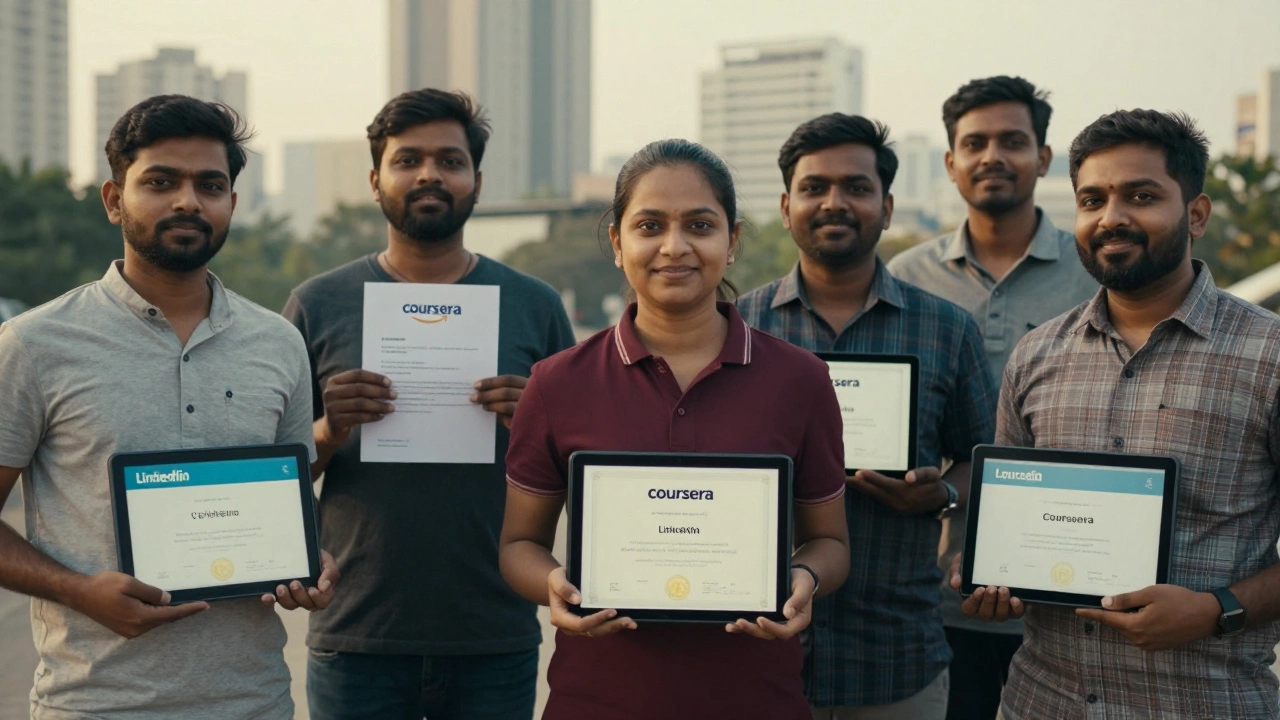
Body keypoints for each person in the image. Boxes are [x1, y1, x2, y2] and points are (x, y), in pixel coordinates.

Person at [0, 95, 338, 720]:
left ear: (232, 206)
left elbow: (290, 500)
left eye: (210, 185)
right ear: (113, 200)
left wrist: (309, 562)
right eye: (160, 181)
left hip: (253, 702)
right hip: (94, 703)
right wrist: (79, 592)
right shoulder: (34, 343)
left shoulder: (278, 342)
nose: (188, 200)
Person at [498, 138, 851, 719]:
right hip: (599, 701)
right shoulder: (556, 383)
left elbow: (831, 542)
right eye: (649, 225)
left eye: (700, 225)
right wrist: (554, 586)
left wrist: (804, 577)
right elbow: (518, 546)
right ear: (617, 242)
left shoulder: (802, 380)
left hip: (755, 701)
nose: (674, 246)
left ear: (732, 241)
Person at [952, 109, 1280, 720]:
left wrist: (1215, 609)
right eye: (1092, 199)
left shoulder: (1269, 356)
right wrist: (993, 577)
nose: (1112, 217)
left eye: (1142, 196)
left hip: (1207, 703)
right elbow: (1011, 527)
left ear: (1197, 214)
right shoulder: (1037, 355)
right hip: (1039, 702)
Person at [283, 88, 575, 720]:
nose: (428, 175)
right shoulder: (317, 303)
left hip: (493, 627)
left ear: (475, 180)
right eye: (407, 159)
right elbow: (276, 474)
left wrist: (533, 427)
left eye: (449, 160)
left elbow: (578, 470)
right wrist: (332, 428)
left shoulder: (535, 304)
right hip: (357, 631)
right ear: (375, 179)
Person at [738, 114, 997, 720]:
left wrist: (940, 498)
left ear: (886, 207)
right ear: (785, 205)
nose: (835, 202)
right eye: (814, 187)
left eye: (856, 187)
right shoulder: (737, 328)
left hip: (896, 658)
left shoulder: (946, 328)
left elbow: (985, 461)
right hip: (755, 655)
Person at [887, 76, 1097, 720]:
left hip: (1072, 588)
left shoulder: (1097, 269)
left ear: (1044, 157)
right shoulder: (903, 279)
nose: (992, 157)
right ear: (950, 163)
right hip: (932, 592)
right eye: (973, 143)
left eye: (1012, 141)